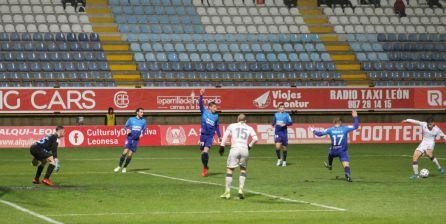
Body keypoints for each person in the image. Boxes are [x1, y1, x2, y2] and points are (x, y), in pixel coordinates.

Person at [312, 111, 359, 182]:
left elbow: (319, 134)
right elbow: (356, 126)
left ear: (334, 122)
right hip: (342, 151)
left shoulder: (330, 129)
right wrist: (355, 117)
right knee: (346, 164)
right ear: (340, 122)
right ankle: (347, 175)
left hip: (334, 150)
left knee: (330, 152)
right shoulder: (345, 128)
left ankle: (330, 165)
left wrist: (313, 131)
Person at [219, 114, 258, 199]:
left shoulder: (232, 125)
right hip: (245, 150)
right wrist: (250, 146)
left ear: (237, 120)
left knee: (230, 169)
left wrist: (222, 146)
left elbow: (225, 135)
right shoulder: (249, 128)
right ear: (245, 121)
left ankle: (227, 192)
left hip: (235, 149)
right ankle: (240, 189)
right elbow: (255, 139)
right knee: (243, 169)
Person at [114, 108, 147, 173]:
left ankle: (125, 167)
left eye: (143, 112)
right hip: (129, 138)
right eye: (141, 112)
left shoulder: (143, 121)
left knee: (130, 155)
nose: (142, 113)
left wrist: (142, 134)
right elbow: (125, 126)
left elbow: (144, 129)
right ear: (137, 112)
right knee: (125, 152)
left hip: (136, 140)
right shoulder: (131, 119)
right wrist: (127, 130)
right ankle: (119, 166)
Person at [198, 88, 222, 177]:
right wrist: (201, 95)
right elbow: (200, 104)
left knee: (205, 152)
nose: (216, 108)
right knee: (202, 154)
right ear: (210, 107)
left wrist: (219, 136)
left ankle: (204, 169)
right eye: (214, 107)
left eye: (216, 107)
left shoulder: (216, 116)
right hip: (202, 136)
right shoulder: (204, 112)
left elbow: (217, 126)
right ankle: (205, 166)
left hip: (210, 136)